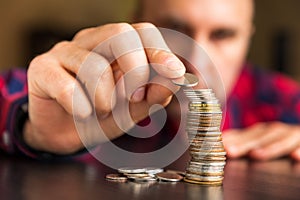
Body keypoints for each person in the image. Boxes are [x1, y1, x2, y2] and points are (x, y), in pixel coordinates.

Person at [0, 0, 299, 160]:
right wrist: (29, 128)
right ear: (137, 22)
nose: (198, 57)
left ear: (248, 35)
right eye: (175, 28)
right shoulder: (94, 84)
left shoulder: (287, 103)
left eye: (223, 34)